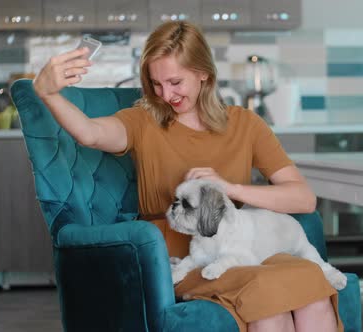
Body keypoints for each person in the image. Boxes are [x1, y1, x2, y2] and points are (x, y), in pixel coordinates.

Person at [33, 21, 343, 332]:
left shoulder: (246, 124)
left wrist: (228, 188)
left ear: (203, 73)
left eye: (175, 82)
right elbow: (90, 134)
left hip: (241, 251)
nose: (165, 94)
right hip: (180, 261)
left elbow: (303, 198)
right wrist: (49, 95)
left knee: (313, 289)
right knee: (270, 300)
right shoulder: (143, 120)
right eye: (156, 84)